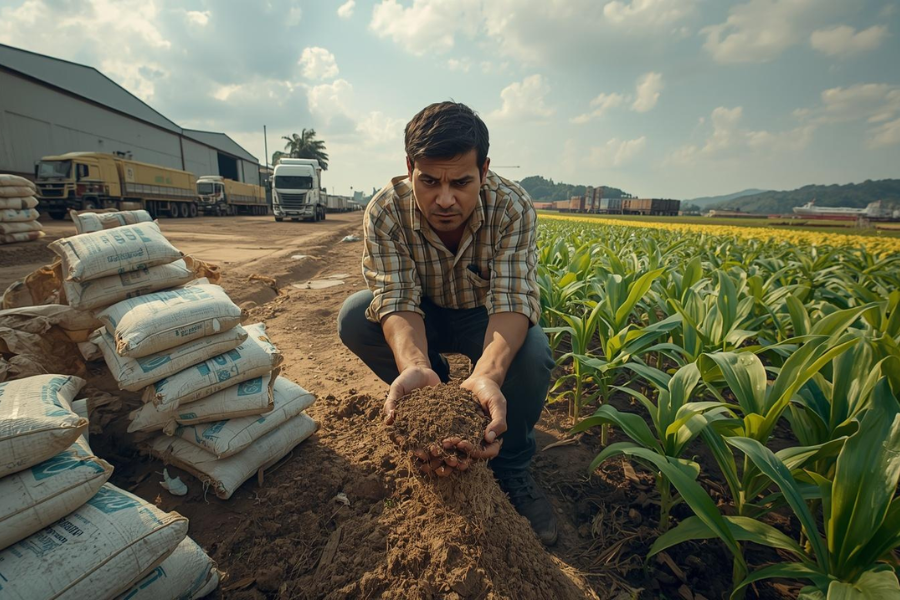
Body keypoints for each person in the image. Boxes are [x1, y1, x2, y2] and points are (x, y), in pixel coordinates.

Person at [337, 101, 557, 545]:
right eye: (429, 181)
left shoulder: (511, 207)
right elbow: (397, 298)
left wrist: (488, 374)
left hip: (485, 315)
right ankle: (433, 393)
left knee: (532, 353)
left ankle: (512, 465)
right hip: (425, 312)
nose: (444, 199)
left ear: (485, 170)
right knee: (355, 316)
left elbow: (513, 300)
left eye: (461, 182)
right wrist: (415, 365)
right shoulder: (385, 211)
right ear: (409, 168)